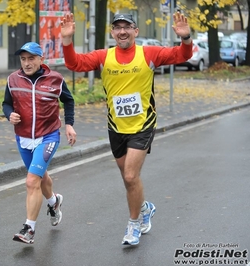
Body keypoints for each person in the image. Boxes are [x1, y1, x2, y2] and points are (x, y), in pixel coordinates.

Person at [60, 12, 192, 245]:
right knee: (128, 179)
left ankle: (134, 226)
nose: (122, 31)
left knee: (131, 175)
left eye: (127, 27)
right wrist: (67, 40)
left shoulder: (148, 54)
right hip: (116, 126)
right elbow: (74, 63)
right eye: (117, 27)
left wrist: (186, 38)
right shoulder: (104, 56)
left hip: (143, 124)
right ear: (112, 33)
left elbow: (182, 55)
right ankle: (144, 207)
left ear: (135, 31)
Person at [2, 41, 77, 244]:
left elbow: (68, 100)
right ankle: (54, 202)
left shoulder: (56, 79)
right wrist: (9, 115)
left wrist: (69, 125)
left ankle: (29, 229)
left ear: (41, 59)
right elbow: (6, 103)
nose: (27, 63)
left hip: (48, 136)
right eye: (23, 59)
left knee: (31, 181)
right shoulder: (13, 79)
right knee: (41, 177)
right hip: (23, 137)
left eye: (31, 58)